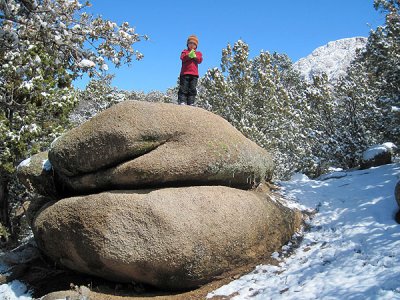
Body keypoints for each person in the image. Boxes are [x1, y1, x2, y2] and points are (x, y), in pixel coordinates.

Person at [178, 35, 203, 105]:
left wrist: (195, 56)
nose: (192, 45)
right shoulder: (185, 51)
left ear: (196, 46)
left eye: (194, 44)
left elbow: (200, 60)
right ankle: (182, 101)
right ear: (187, 44)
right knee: (183, 88)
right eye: (190, 43)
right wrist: (188, 56)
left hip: (194, 74)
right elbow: (182, 58)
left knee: (192, 89)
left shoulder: (198, 53)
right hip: (185, 73)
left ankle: (191, 102)